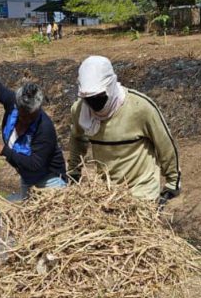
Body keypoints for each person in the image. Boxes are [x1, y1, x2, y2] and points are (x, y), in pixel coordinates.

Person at [67, 55, 181, 204]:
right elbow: (77, 139)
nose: (93, 104)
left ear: (110, 86)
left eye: (98, 97)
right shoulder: (81, 111)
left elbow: (165, 144)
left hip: (141, 193)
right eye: (88, 99)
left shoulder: (140, 108)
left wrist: (172, 183)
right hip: (106, 192)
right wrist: (73, 172)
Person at [0, 37, 66, 199]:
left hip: (50, 182)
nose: (25, 119)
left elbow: (35, 164)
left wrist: (5, 151)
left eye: (30, 116)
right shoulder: (12, 102)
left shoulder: (45, 128)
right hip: (27, 179)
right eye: (22, 114)